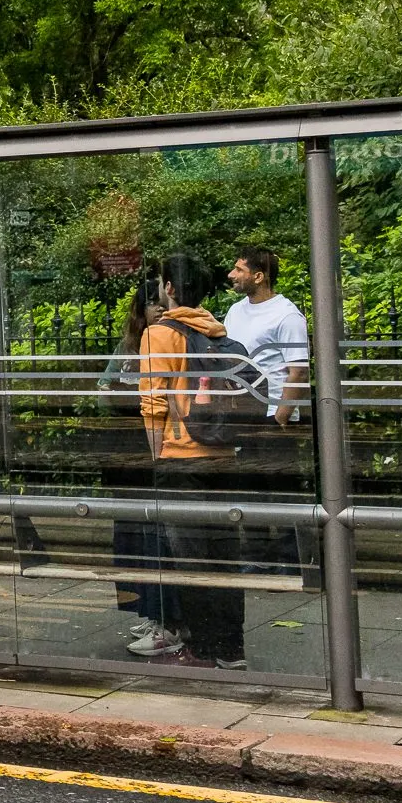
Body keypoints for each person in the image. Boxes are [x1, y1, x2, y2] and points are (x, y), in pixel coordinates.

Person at [140, 254, 249, 669]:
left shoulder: (161, 334)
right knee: (225, 557)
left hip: (182, 456)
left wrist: (156, 457)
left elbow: (153, 402)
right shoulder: (219, 333)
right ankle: (232, 648)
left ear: (169, 287)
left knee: (191, 559)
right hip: (222, 455)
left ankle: (203, 647)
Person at [222, 247, 312, 581]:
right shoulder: (234, 311)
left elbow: (298, 371)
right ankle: (257, 556)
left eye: (238, 269)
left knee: (281, 488)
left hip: (273, 415)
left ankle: (290, 558)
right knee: (249, 488)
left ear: (259, 276)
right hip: (243, 414)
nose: (232, 275)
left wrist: (282, 416)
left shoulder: (286, 315)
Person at [100, 273, 174, 657]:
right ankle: (145, 608)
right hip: (127, 452)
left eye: (163, 301)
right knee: (131, 536)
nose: (159, 308)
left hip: (155, 451)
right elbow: (103, 389)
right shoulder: (128, 348)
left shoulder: (170, 342)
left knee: (156, 536)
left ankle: (164, 615)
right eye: (152, 303)